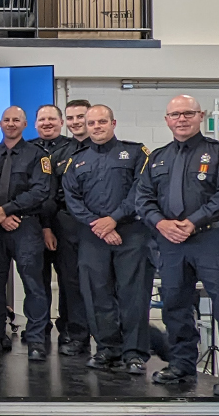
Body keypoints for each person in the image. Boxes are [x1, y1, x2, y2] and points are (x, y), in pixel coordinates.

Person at [137, 95, 219, 397]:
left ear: (200, 116)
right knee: (175, 305)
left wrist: (192, 221)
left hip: (213, 240)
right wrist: (161, 223)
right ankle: (182, 365)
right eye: (175, 115)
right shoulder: (157, 157)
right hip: (171, 242)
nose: (181, 119)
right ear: (167, 120)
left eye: (187, 113)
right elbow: (142, 198)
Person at [62, 104, 151, 373]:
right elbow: (72, 199)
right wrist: (98, 224)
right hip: (92, 235)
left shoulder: (136, 152)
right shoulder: (76, 161)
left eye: (102, 122)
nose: (96, 127)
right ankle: (107, 349)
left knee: (133, 295)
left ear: (113, 123)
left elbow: (141, 189)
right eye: (91, 123)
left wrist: (114, 218)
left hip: (132, 234)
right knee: (96, 293)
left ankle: (134, 353)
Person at [0, 106, 51, 360]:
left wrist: (8, 211)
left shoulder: (37, 155)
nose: (10, 124)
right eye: (6, 120)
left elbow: (40, 191)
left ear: (25, 124)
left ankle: (36, 340)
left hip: (25, 225)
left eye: (16, 120)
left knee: (33, 283)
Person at [30, 104, 89, 356]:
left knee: (70, 280)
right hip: (34, 221)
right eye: (42, 119)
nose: (47, 123)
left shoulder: (72, 148)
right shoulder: (27, 149)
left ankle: (72, 331)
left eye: (52, 119)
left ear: (61, 122)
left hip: (66, 221)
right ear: (35, 124)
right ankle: (39, 327)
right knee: (37, 279)